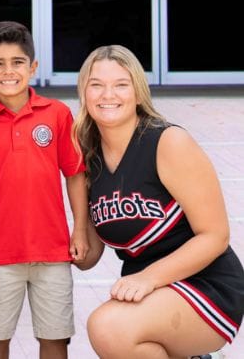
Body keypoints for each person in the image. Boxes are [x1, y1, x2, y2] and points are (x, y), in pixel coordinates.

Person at [72, 44, 244, 358]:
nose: (107, 94)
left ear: (138, 93)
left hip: (205, 284)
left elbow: (216, 236)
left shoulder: (168, 142)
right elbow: (90, 255)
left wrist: (149, 277)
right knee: (117, 333)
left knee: (109, 327)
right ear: (83, 93)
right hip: (149, 292)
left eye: (121, 85)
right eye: (96, 85)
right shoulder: (87, 156)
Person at [0, 21, 89, 359]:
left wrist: (79, 230)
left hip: (53, 250)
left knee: (55, 338)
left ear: (32, 67)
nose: (8, 71)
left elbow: (75, 175)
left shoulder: (58, 115)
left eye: (18, 62)